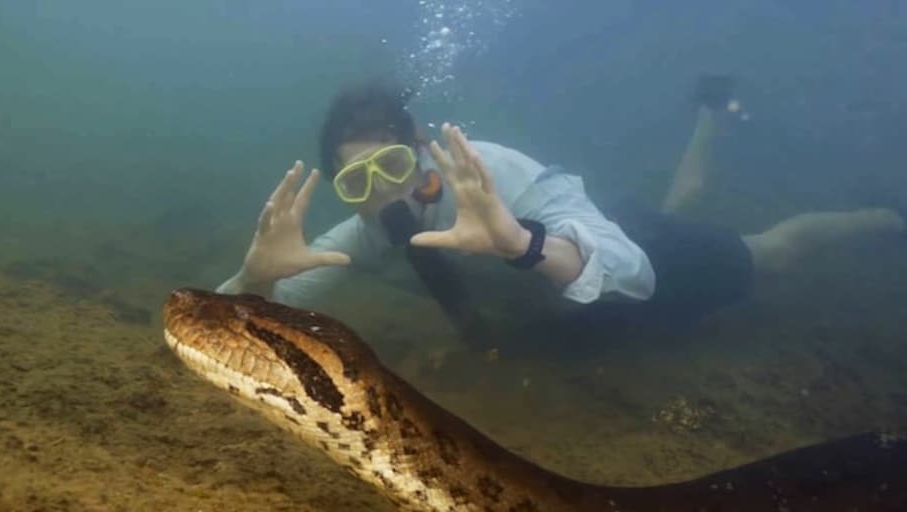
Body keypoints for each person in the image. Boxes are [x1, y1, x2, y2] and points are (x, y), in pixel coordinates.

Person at [214, 76, 904, 350]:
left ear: (422, 154)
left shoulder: (493, 177)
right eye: (357, 181)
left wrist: (518, 241)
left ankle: (891, 217)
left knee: (773, 251)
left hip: (634, 256)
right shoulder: (369, 229)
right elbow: (239, 312)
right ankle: (708, 118)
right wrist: (253, 278)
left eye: (392, 168)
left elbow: (633, 273)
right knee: (675, 205)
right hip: (597, 251)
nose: (384, 196)